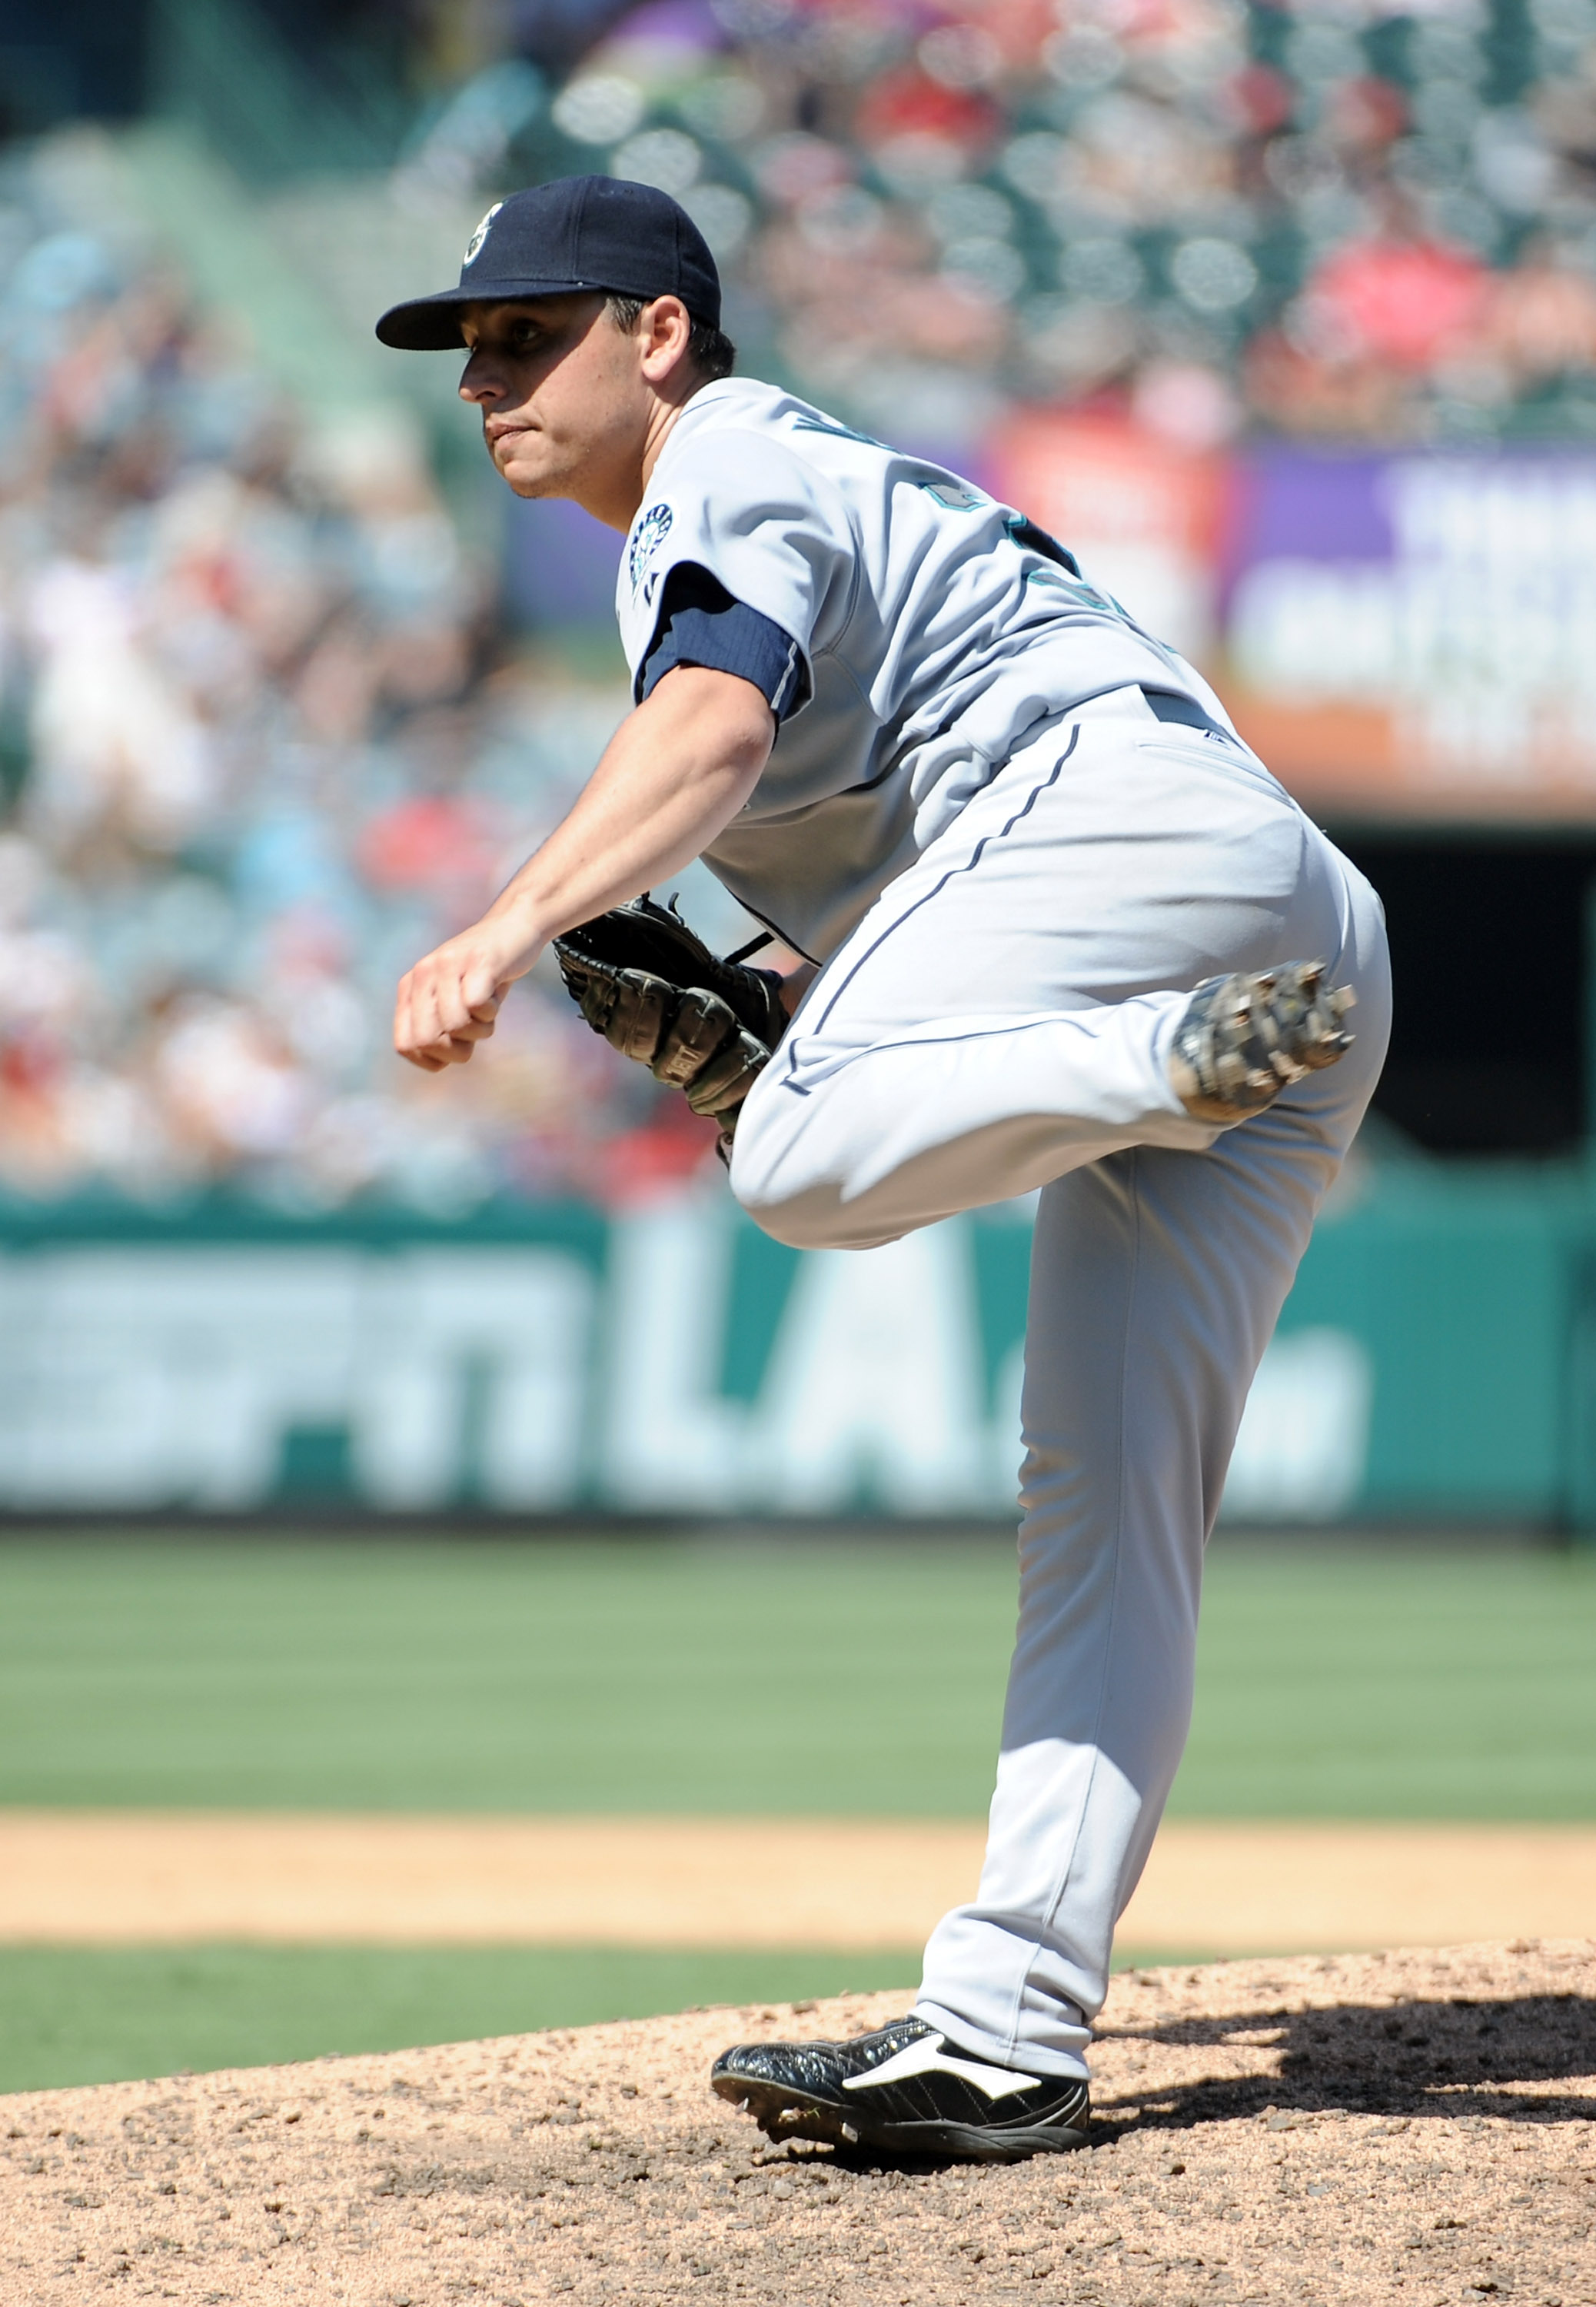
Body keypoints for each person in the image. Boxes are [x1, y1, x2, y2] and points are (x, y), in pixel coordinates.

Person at [377, 177, 1390, 2163]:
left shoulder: (726, 463)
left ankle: (1152, 1075)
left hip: (1124, 859)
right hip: (1264, 914)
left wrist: (505, 927)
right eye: (470, 349)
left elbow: (712, 731)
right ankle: (1006, 2027)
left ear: (657, 333)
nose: (484, 378)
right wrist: (774, 980)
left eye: (525, 334)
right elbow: (909, 833)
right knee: (1104, 1505)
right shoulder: (791, 485)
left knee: (802, 1153)